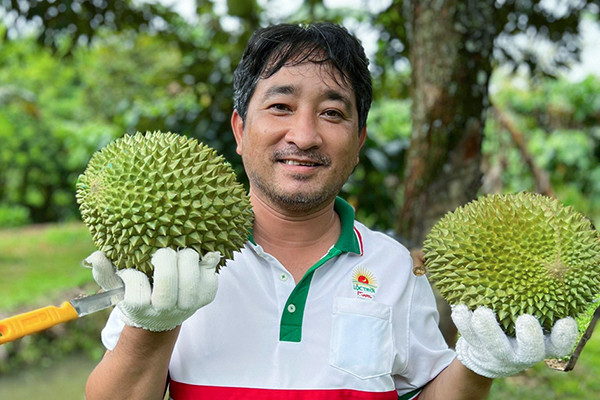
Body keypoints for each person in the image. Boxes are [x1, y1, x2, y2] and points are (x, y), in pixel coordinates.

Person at [85, 22, 578, 400]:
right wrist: (152, 325)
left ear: (359, 140)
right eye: (280, 107)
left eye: (333, 112)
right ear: (239, 130)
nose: (303, 135)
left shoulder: (395, 268)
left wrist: (477, 366)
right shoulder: (175, 259)